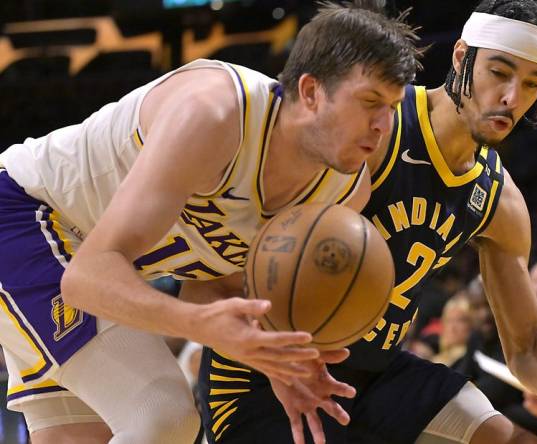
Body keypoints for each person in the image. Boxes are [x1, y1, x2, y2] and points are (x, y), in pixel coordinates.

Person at [198, 1, 537, 443]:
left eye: (531, 84)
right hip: (269, 370)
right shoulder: (377, 125)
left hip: (379, 373)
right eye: (500, 73)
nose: (512, 98)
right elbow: (245, 257)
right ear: (461, 57)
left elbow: (528, 349)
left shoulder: (499, 199)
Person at [0, 2, 422, 442]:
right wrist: (197, 326)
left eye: (392, 107)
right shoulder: (214, 112)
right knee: (162, 415)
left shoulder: (346, 190)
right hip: (23, 218)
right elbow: (86, 278)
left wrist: (274, 360)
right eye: (370, 102)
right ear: (312, 92)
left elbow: (212, 285)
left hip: (84, 265)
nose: (382, 124)